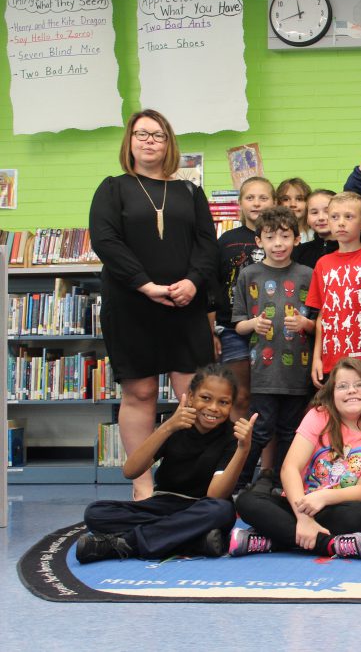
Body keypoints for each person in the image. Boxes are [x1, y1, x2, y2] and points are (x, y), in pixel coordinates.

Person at [88, 109, 218, 500]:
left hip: (185, 305)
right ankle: (142, 485)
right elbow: (105, 241)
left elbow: (207, 244)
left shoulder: (189, 192)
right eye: (141, 134)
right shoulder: (112, 188)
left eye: (158, 135)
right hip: (131, 306)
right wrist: (145, 285)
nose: (149, 141)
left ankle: (186, 484)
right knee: (140, 393)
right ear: (129, 141)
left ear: (169, 144)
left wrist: (193, 283)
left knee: (192, 397)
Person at [76, 364, 255, 563]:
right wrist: (167, 427)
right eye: (205, 398)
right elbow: (131, 471)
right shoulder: (175, 425)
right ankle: (192, 541)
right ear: (191, 396)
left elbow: (215, 495)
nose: (213, 408)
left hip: (201, 509)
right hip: (164, 504)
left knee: (222, 510)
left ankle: (126, 543)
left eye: (223, 402)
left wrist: (243, 450)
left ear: (231, 406)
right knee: (96, 513)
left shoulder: (231, 437)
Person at [230, 359, 361, 559]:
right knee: (247, 501)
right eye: (342, 386)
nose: (352, 390)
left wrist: (322, 497)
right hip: (297, 503)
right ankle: (331, 545)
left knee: (360, 514)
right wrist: (303, 517)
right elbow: (289, 467)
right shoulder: (319, 416)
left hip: (333, 508)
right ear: (331, 394)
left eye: (360, 384)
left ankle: (272, 540)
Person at [232, 206, 315, 486]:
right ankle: (238, 480)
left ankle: (284, 482)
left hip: (297, 371)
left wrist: (305, 324)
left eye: (284, 236)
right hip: (263, 372)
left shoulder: (308, 274)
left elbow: (318, 325)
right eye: (270, 237)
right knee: (261, 429)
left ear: (297, 239)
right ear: (259, 242)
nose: (278, 243)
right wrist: (254, 324)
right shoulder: (249, 275)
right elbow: (238, 325)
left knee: (290, 431)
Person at [212, 176, 274, 422]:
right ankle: (238, 456)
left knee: (268, 396)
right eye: (250, 197)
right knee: (239, 395)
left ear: (274, 202)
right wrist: (213, 328)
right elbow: (214, 284)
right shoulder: (226, 240)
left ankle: (266, 460)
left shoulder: (279, 238)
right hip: (232, 329)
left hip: (272, 329)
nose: (256, 203)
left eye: (263, 197)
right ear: (240, 204)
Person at [307, 193, 361, 388]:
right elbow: (322, 315)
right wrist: (317, 358)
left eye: (348, 217)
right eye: (335, 217)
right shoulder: (323, 264)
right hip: (331, 362)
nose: (341, 223)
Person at [292, 188, 337, 269]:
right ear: (307, 219)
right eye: (314, 212)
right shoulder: (299, 253)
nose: (321, 218)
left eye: (327, 211)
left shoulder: (350, 249)